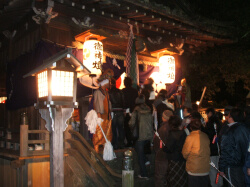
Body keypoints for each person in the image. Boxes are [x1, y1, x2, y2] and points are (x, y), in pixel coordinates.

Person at [219, 108, 250, 187]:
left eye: (228, 115)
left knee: (233, 184)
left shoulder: (229, 131)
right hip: (243, 164)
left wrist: (221, 168)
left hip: (232, 165)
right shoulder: (245, 128)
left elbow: (225, 151)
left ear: (231, 117)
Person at [129, 94, 154, 179]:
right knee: (139, 150)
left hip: (140, 135)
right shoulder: (149, 109)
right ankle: (146, 160)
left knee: (139, 154)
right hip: (149, 135)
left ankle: (144, 174)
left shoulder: (136, 110)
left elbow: (131, 123)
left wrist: (130, 119)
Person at [182, 119, 211, 187]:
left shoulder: (190, 137)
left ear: (191, 127)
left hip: (194, 168)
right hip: (205, 168)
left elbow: (185, 153)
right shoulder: (205, 136)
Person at [163, 115, 188, 187]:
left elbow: (169, 147)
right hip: (182, 158)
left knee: (174, 180)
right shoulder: (183, 133)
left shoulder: (172, 134)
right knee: (182, 179)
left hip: (174, 159)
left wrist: (164, 149)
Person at [92, 71, 113, 153]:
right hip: (101, 118)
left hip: (107, 117)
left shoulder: (106, 93)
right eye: (108, 82)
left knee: (107, 136)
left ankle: (105, 152)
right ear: (105, 83)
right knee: (99, 136)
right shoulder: (98, 92)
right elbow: (98, 105)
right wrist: (99, 116)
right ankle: (96, 153)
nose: (109, 84)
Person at [203, 107, 223, 187]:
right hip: (219, 149)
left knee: (213, 168)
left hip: (212, 149)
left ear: (210, 113)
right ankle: (219, 183)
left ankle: (215, 184)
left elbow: (209, 135)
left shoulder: (210, 123)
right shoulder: (219, 122)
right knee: (219, 168)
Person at [153, 110, 173, 187]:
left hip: (162, 157)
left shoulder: (162, 129)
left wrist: (157, 151)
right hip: (171, 157)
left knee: (160, 177)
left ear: (164, 118)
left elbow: (157, 143)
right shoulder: (174, 127)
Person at [122, 77, 138, 147]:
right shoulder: (135, 91)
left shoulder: (122, 91)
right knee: (134, 126)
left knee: (126, 127)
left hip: (126, 111)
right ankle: (134, 141)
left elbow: (122, 101)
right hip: (133, 110)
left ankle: (128, 142)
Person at [109, 78, 125, 150]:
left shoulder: (109, 92)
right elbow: (123, 101)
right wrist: (123, 110)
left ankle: (115, 144)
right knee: (121, 128)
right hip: (120, 111)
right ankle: (121, 144)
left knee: (114, 128)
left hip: (113, 111)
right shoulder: (120, 92)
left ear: (110, 84)